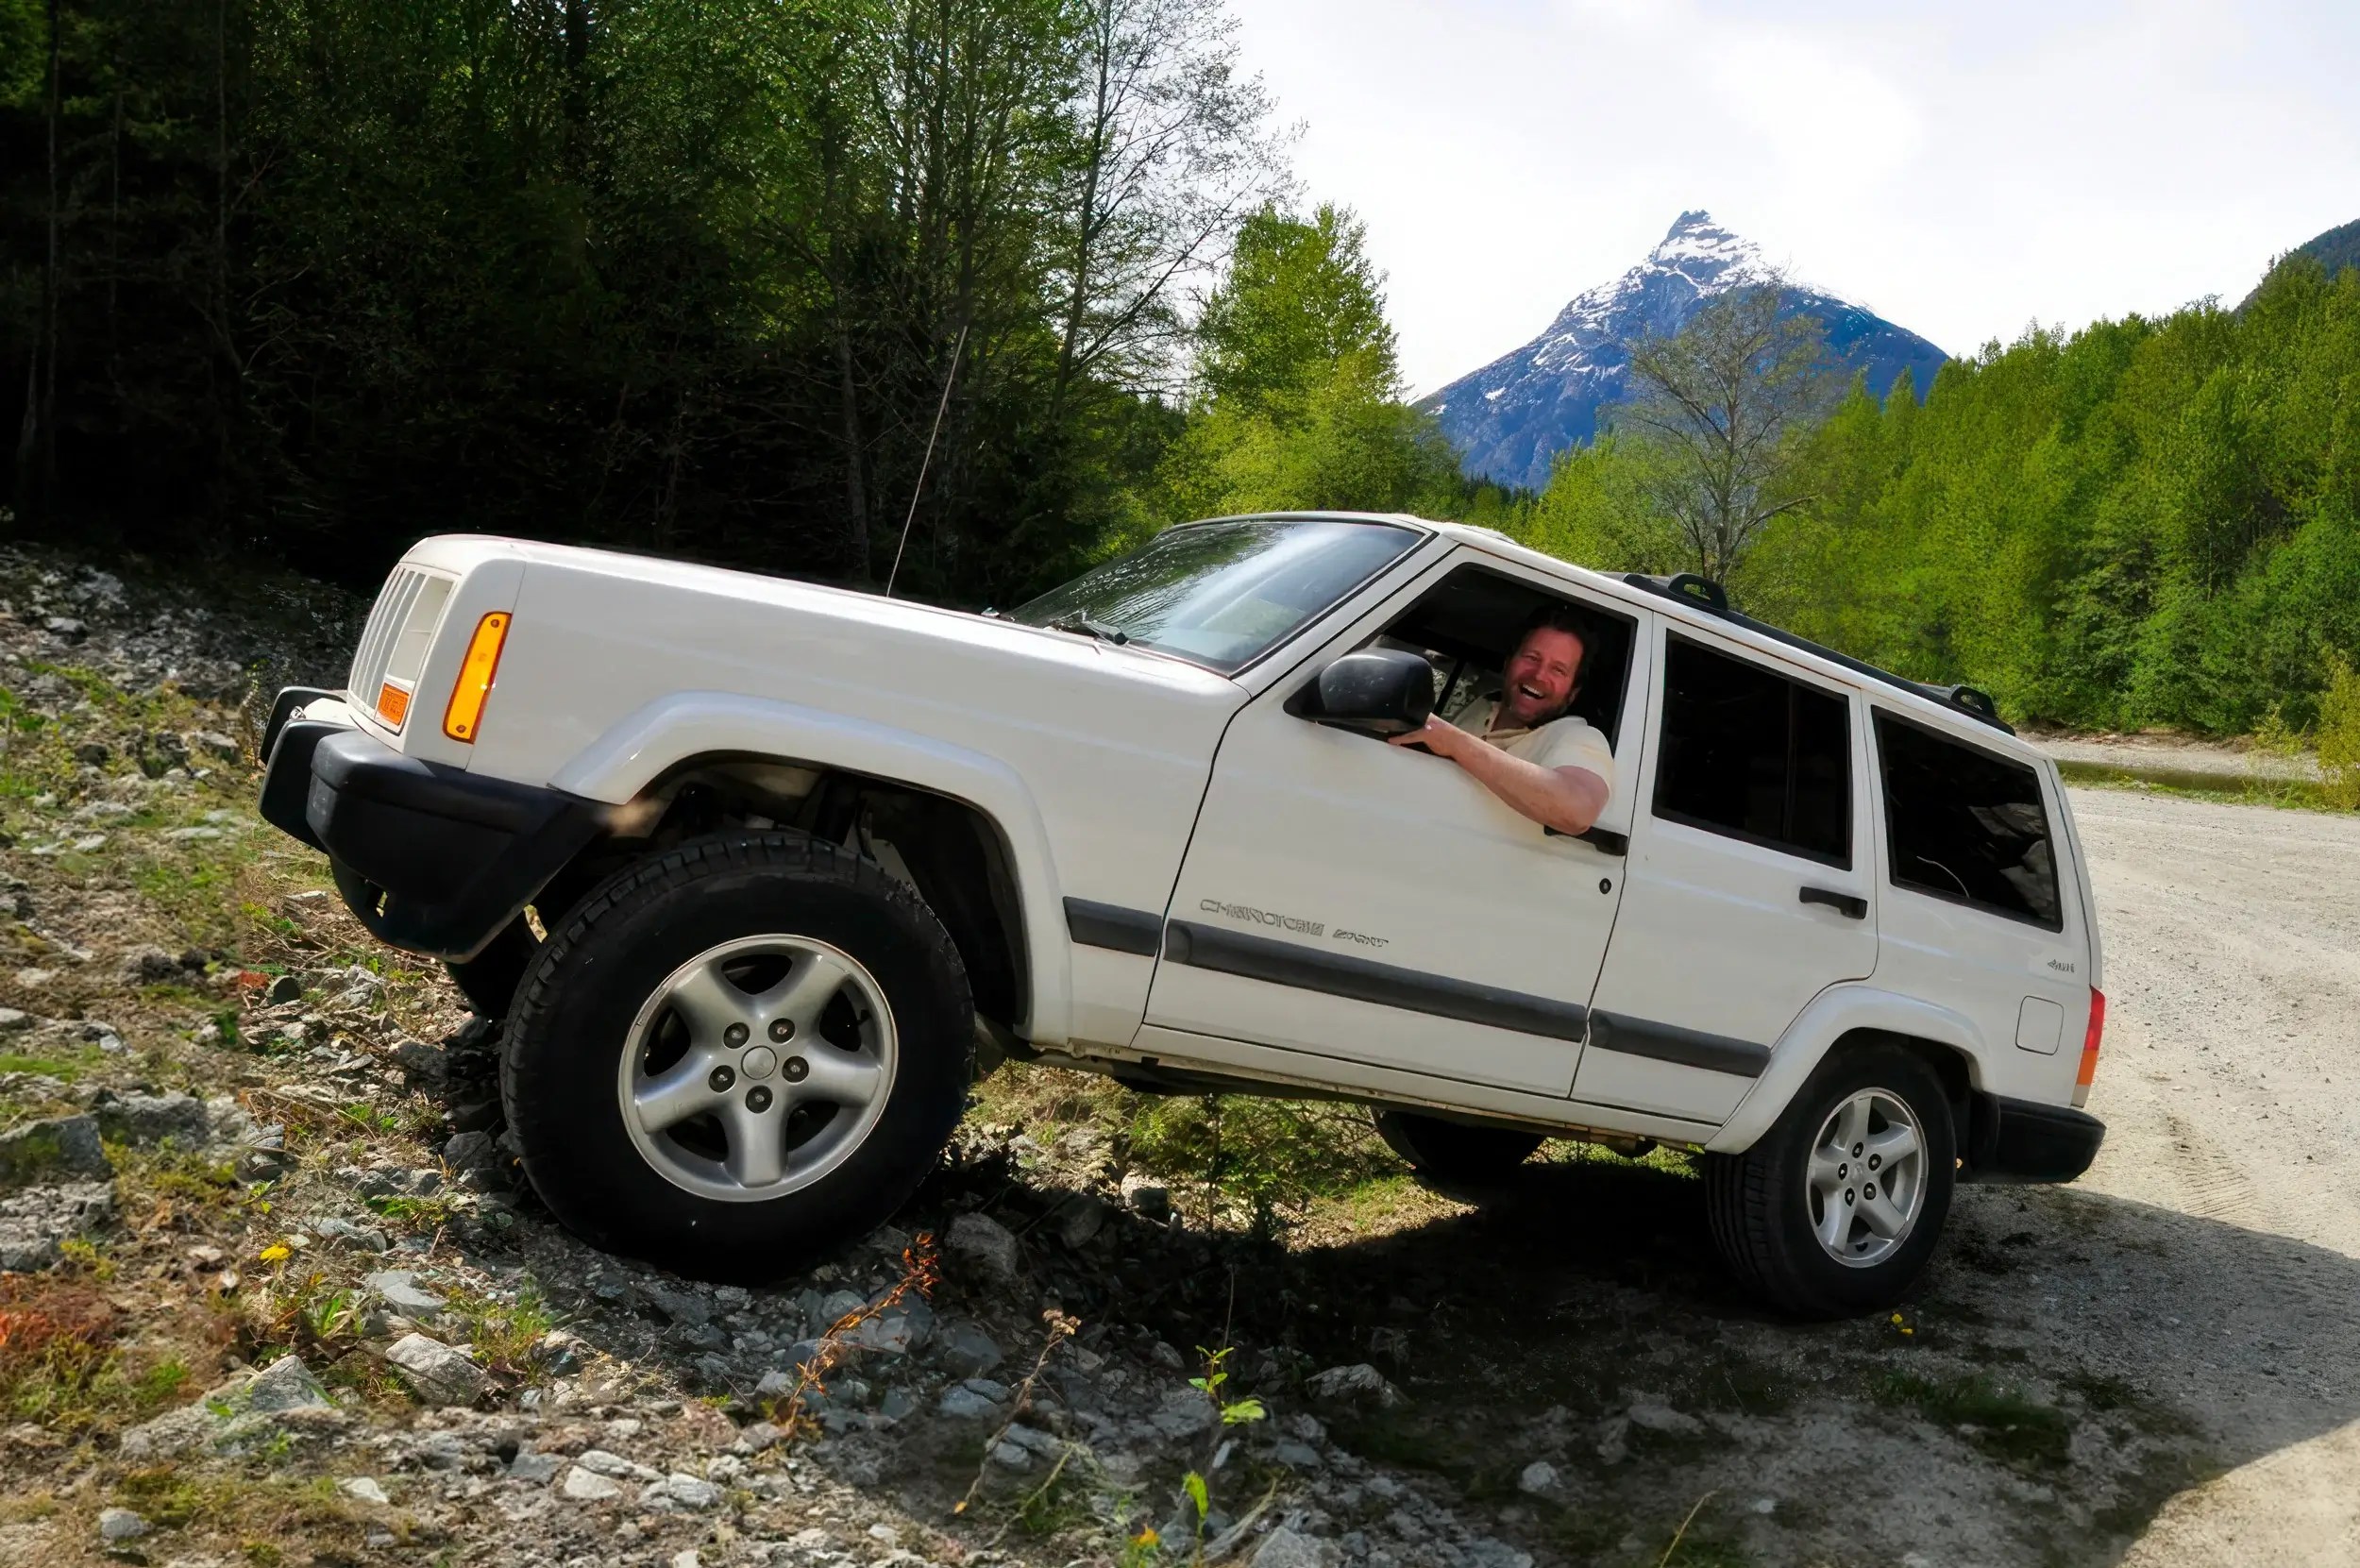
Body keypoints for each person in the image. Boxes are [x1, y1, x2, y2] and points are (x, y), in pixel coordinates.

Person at [1389, 603, 1613, 835]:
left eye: (1558, 670)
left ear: (1572, 693)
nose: (1538, 675)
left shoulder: (1578, 736)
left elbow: (1578, 812)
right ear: (1508, 663)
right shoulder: (1482, 705)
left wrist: (1453, 741)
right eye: (1532, 657)